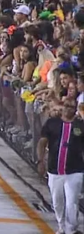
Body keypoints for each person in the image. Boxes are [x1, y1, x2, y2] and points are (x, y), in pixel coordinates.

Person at [37, 100, 84, 234]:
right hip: (55, 170)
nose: (69, 109)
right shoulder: (52, 123)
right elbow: (42, 142)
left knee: (71, 202)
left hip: (75, 170)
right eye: (67, 106)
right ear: (62, 107)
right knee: (57, 201)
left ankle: (70, 229)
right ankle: (61, 225)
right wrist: (41, 161)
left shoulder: (80, 125)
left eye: (72, 107)